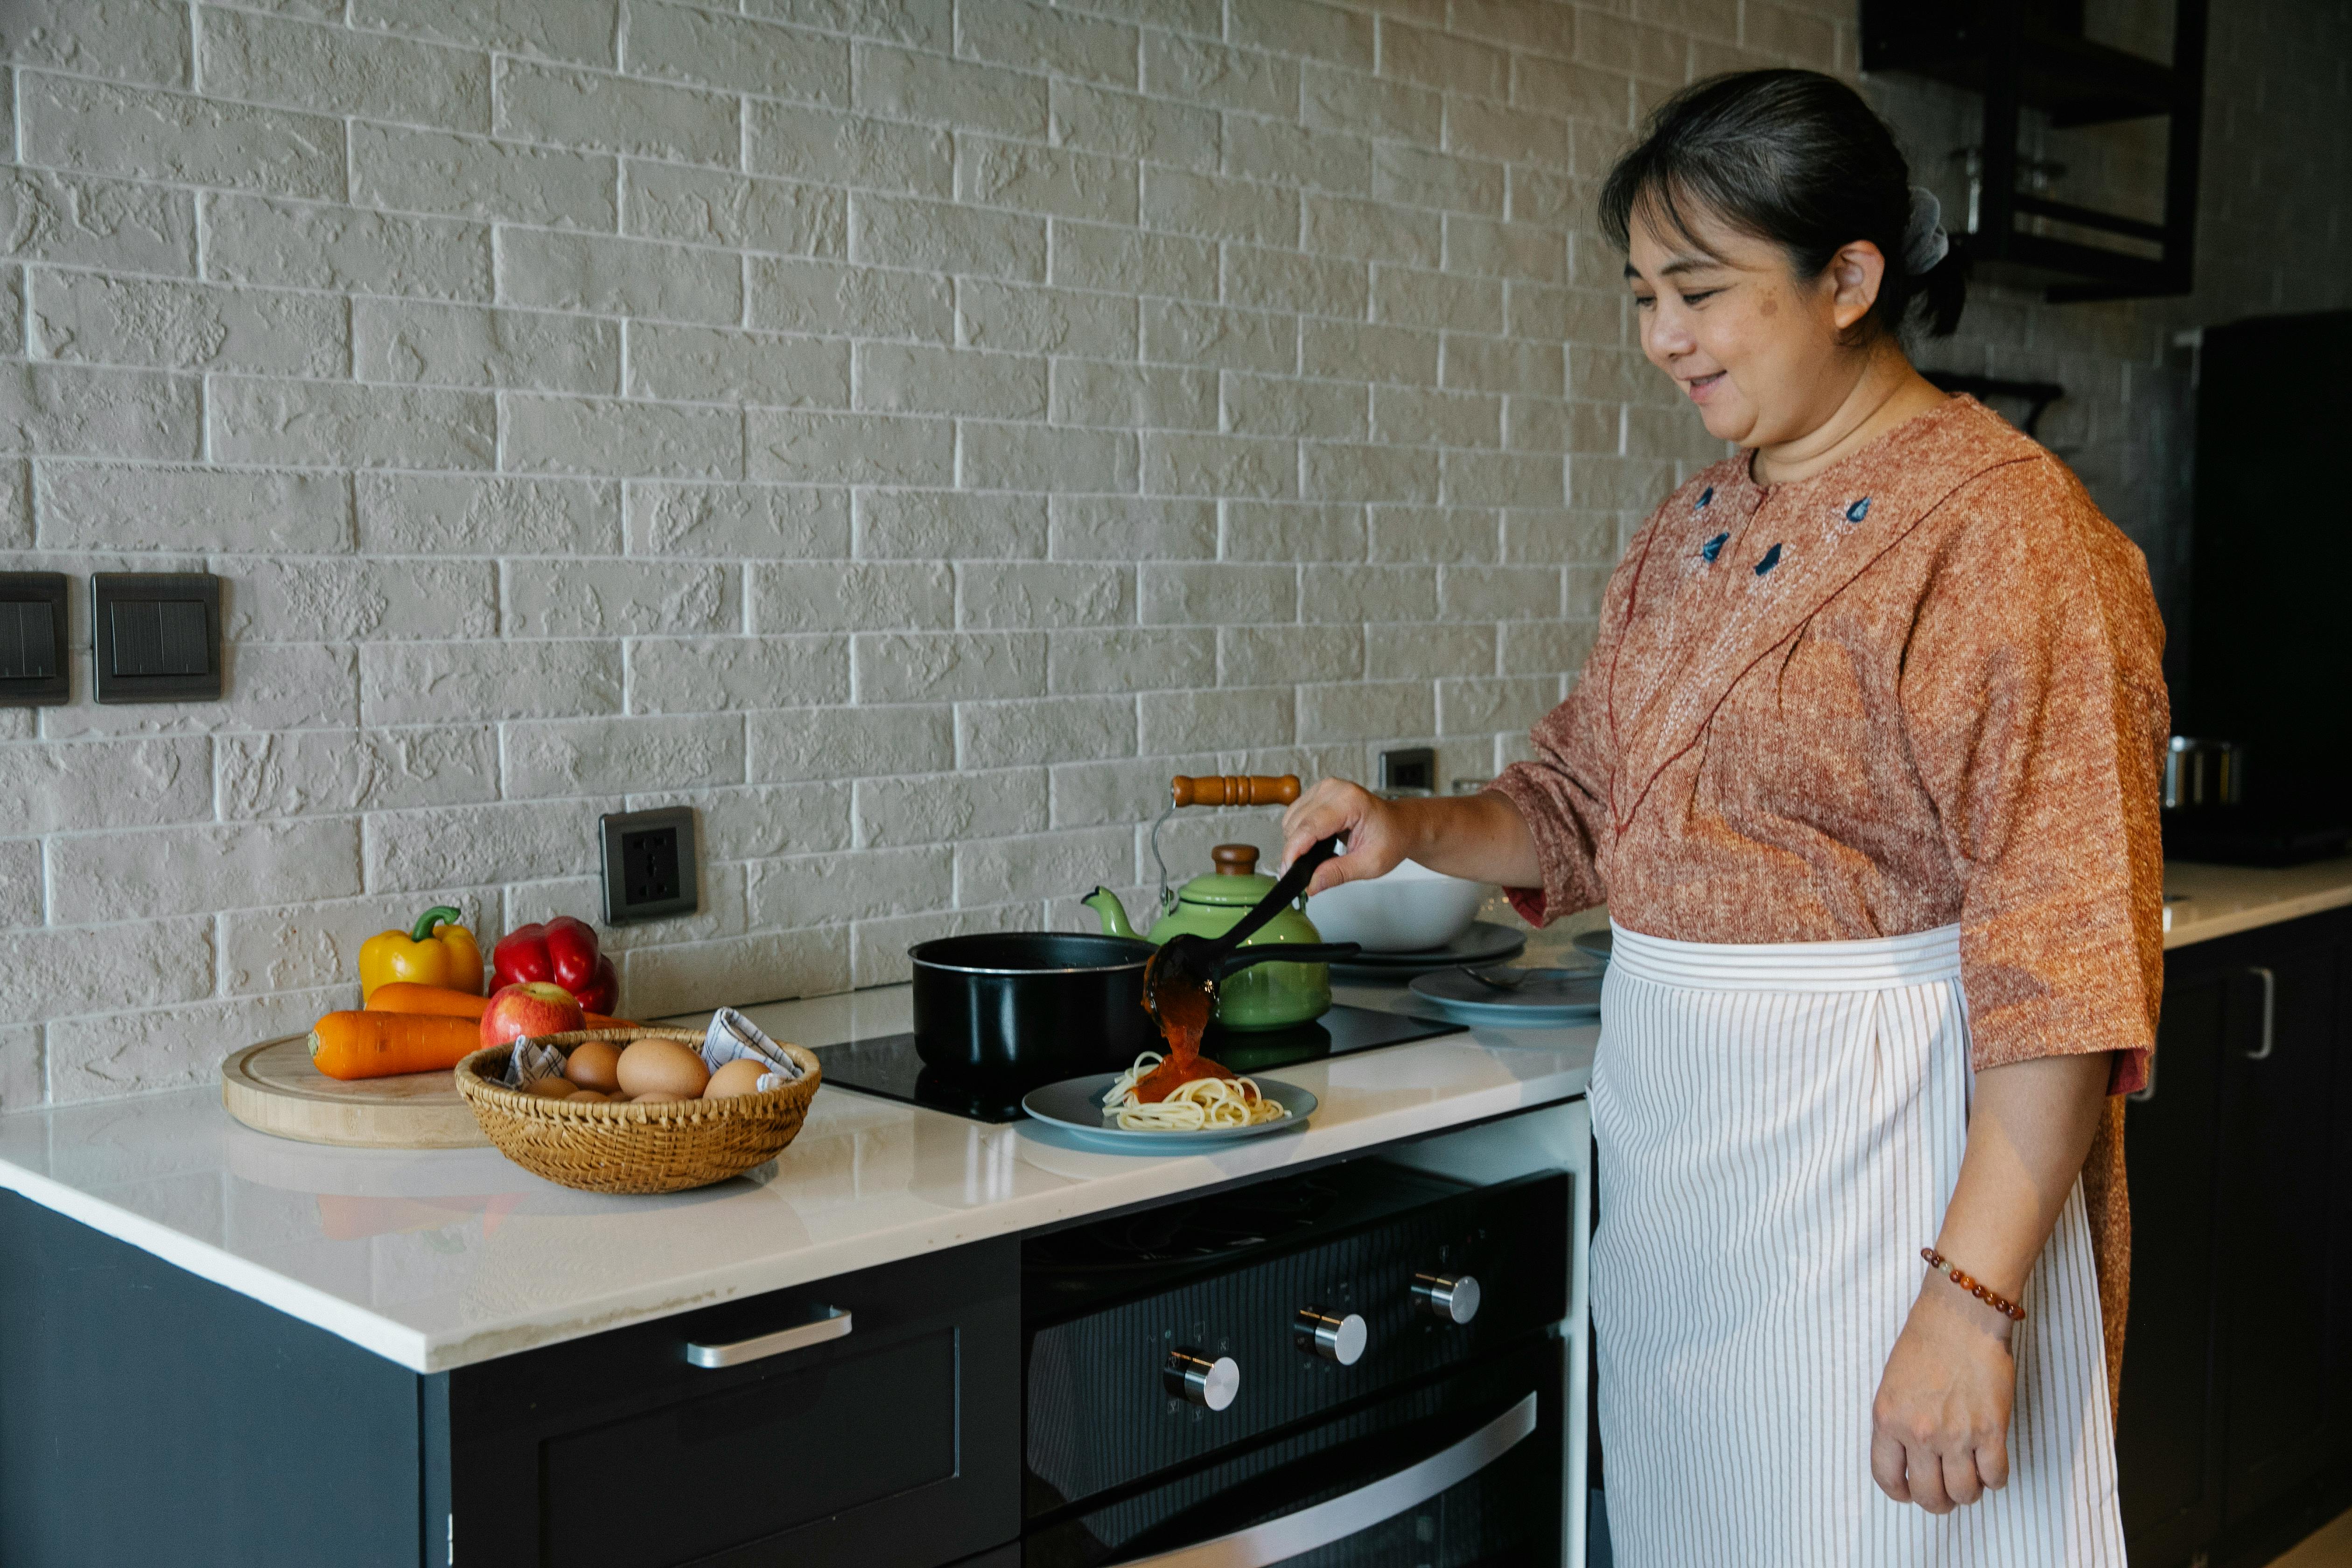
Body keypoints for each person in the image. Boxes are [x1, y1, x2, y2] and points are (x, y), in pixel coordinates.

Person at [1280, 69, 2164, 1566]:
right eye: (1642, 294)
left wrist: (1970, 1304)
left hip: (1895, 1171)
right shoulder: (1693, 527)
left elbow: (2064, 964)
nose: (1662, 337)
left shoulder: (2012, 538)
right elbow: (1575, 800)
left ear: (1849, 279)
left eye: (1700, 289)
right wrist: (1410, 828)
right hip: (1692, 1166)